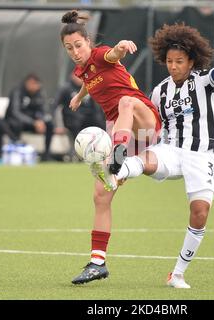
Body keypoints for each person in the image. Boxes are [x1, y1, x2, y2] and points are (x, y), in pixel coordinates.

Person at [115, 23, 214, 289]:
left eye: (179, 61)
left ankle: (178, 273)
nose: (173, 66)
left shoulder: (205, 81)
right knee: (145, 162)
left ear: (191, 61)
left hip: (201, 155)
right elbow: (151, 129)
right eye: (169, 61)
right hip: (171, 149)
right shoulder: (160, 92)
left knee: (200, 213)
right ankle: (118, 172)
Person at [60, 10, 161, 284]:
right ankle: (97, 262)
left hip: (143, 119)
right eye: (68, 48)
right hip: (120, 128)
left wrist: (121, 47)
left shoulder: (100, 54)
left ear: (88, 42)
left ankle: (117, 155)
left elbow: (112, 56)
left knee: (125, 102)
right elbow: (89, 81)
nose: (74, 51)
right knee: (101, 196)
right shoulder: (81, 69)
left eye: (78, 45)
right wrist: (79, 96)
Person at [5, 73, 54, 161]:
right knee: (17, 124)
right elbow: (15, 112)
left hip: (33, 122)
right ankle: (17, 153)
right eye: (34, 84)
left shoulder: (39, 92)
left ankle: (46, 155)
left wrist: (41, 121)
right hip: (15, 121)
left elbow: (44, 110)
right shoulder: (17, 91)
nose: (37, 87)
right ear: (28, 83)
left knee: (50, 124)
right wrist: (33, 123)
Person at [53, 71, 106, 140]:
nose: (80, 78)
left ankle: (103, 145)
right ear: (72, 76)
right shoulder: (65, 89)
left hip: (89, 116)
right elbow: (55, 105)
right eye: (78, 76)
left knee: (99, 122)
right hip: (73, 116)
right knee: (76, 124)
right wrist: (56, 126)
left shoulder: (89, 86)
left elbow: (96, 105)